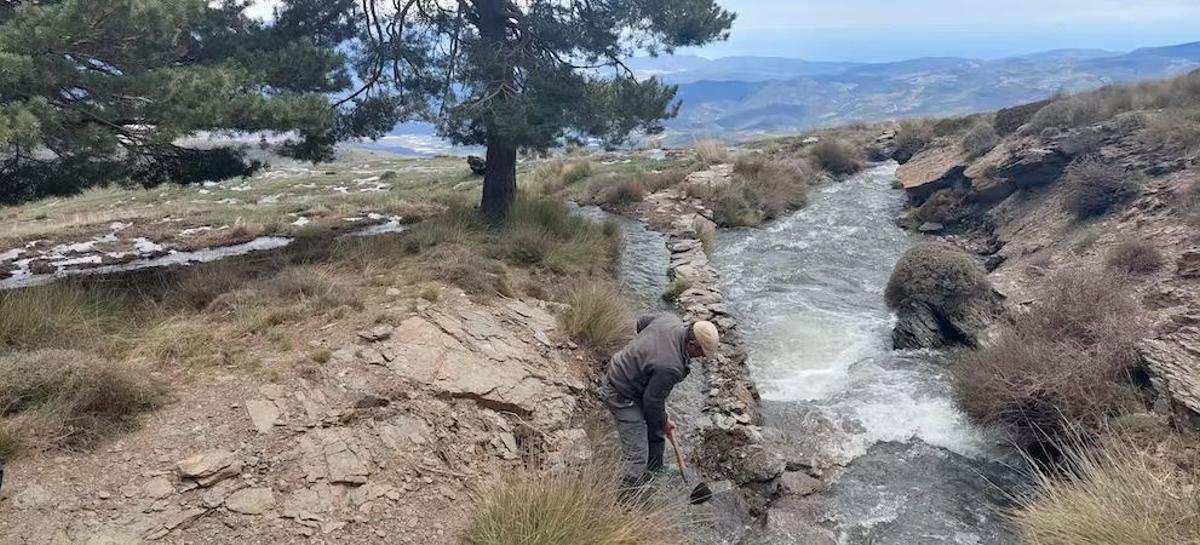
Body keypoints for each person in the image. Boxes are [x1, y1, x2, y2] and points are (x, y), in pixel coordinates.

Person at [600, 313, 720, 489]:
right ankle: (626, 502)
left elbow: (641, 323)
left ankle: (655, 467)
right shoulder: (671, 367)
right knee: (637, 455)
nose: (702, 357)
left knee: (655, 427)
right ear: (692, 344)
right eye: (701, 352)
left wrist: (644, 352)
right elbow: (652, 403)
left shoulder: (671, 319)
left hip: (634, 379)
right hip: (621, 393)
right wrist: (664, 420)